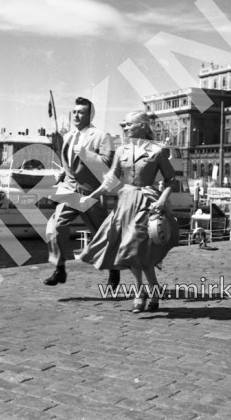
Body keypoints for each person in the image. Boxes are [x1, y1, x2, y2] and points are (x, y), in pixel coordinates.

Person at [78, 111, 179, 313]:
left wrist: (161, 201)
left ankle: (143, 293)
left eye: (129, 124)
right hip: (125, 203)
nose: (125, 128)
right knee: (130, 252)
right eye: (123, 125)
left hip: (146, 203)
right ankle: (149, 291)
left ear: (142, 126)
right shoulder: (121, 150)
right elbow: (111, 180)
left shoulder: (157, 151)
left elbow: (171, 181)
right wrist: (93, 197)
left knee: (137, 250)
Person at [43, 97, 117, 287]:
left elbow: (108, 165)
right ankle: (59, 269)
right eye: (74, 111)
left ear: (90, 115)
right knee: (56, 226)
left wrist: (85, 153)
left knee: (102, 234)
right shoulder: (68, 137)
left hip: (91, 193)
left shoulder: (101, 136)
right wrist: (60, 174)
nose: (76, 115)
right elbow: (68, 164)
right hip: (69, 190)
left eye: (81, 112)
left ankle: (113, 269)